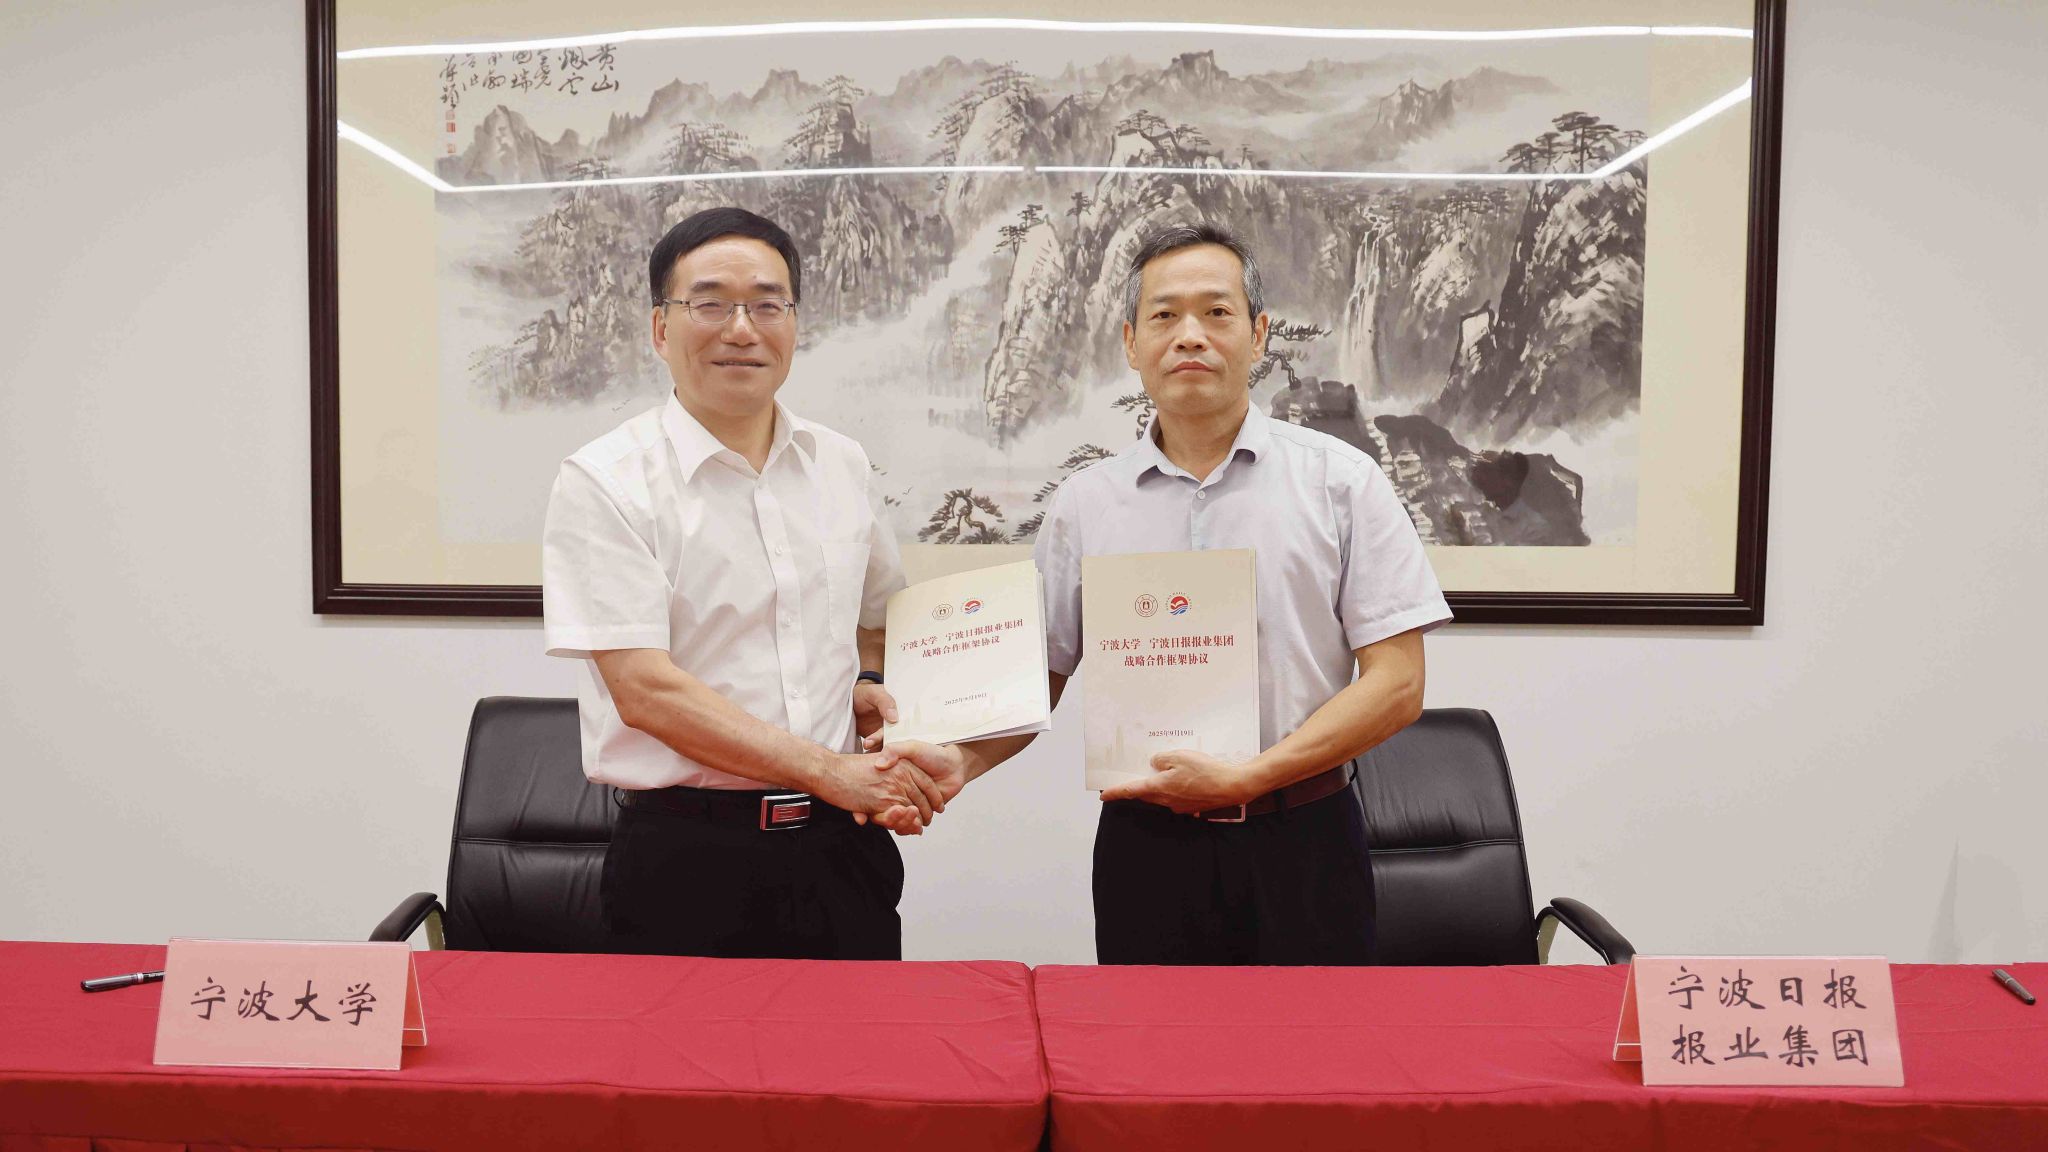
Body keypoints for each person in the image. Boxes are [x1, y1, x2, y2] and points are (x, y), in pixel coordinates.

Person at [881, 222, 1450, 965]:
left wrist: (1249, 776)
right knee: (1143, 1041)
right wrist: (960, 761)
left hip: (1306, 840)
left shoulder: (1341, 482)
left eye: (1216, 312)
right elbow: (1036, 677)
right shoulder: (1087, 503)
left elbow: (1398, 683)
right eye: (1164, 315)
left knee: (1314, 1040)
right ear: (1130, 341)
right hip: (1146, 849)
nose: (1190, 336)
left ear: (1259, 334)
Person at [542, 207, 940, 961]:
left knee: (860, 1039)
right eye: (710, 304)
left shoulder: (841, 464)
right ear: (660, 328)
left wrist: (869, 682)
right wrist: (833, 771)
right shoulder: (605, 481)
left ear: (794, 324)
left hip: (841, 849)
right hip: (686, 859)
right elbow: (645, 691)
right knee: (684, 1044)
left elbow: (881, 616)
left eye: (767, 304)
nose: (741, 329)